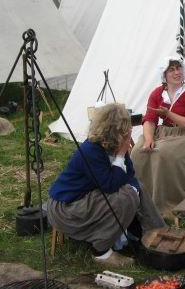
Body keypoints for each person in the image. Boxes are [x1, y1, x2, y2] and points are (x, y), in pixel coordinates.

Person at [48, 103, 166, 266]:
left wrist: (124, 159)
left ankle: (155, 233)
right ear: (113, 131)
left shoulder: (112, 145)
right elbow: (110, 185)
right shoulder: (91, 150)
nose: (129, 132)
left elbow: (129, 175)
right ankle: (101, 252)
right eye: (125, 130)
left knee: (136, 186)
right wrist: (121, 155)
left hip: (87, 196)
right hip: (68, 208)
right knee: (126, 196)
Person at [130, 57, 185, 215]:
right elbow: (149, 119)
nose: (177, 72)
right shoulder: (158, 93)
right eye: (171, 69)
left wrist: (168, 114)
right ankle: (142, 199)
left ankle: (167, 201)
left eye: (179, 68)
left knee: (162, 153)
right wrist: (148, 139)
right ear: (164, 74)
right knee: (138, 152)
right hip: (165, 132)